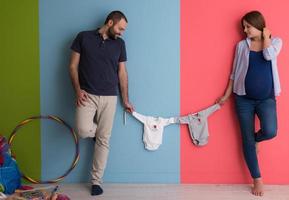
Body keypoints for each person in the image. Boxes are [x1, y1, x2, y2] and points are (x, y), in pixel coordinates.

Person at [217, 11, 282, 196]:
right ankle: (257, 179)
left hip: (266, 98)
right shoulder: (241, 46)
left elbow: (269, 56)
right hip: (243, 98)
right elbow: (234, 72)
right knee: (246, 139)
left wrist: (266, 37)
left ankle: (256, 139)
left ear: (259, 24)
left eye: (248, 26)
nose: (245, 30)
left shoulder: (276, 42)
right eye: (243, 27)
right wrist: (226, 94)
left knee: (270, 131)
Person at [69, 10, 134, 196]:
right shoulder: (83, 37)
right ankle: (100, 135)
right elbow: (72, 65)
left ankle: (96, 181)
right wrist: (77, 90)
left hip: (110, 97)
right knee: (82, 130)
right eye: (121, 28)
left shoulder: (120, 44)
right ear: (111, 22)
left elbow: (122, 73)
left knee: (104, 140)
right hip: (87, 95)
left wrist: (126, 99)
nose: (122, 32)